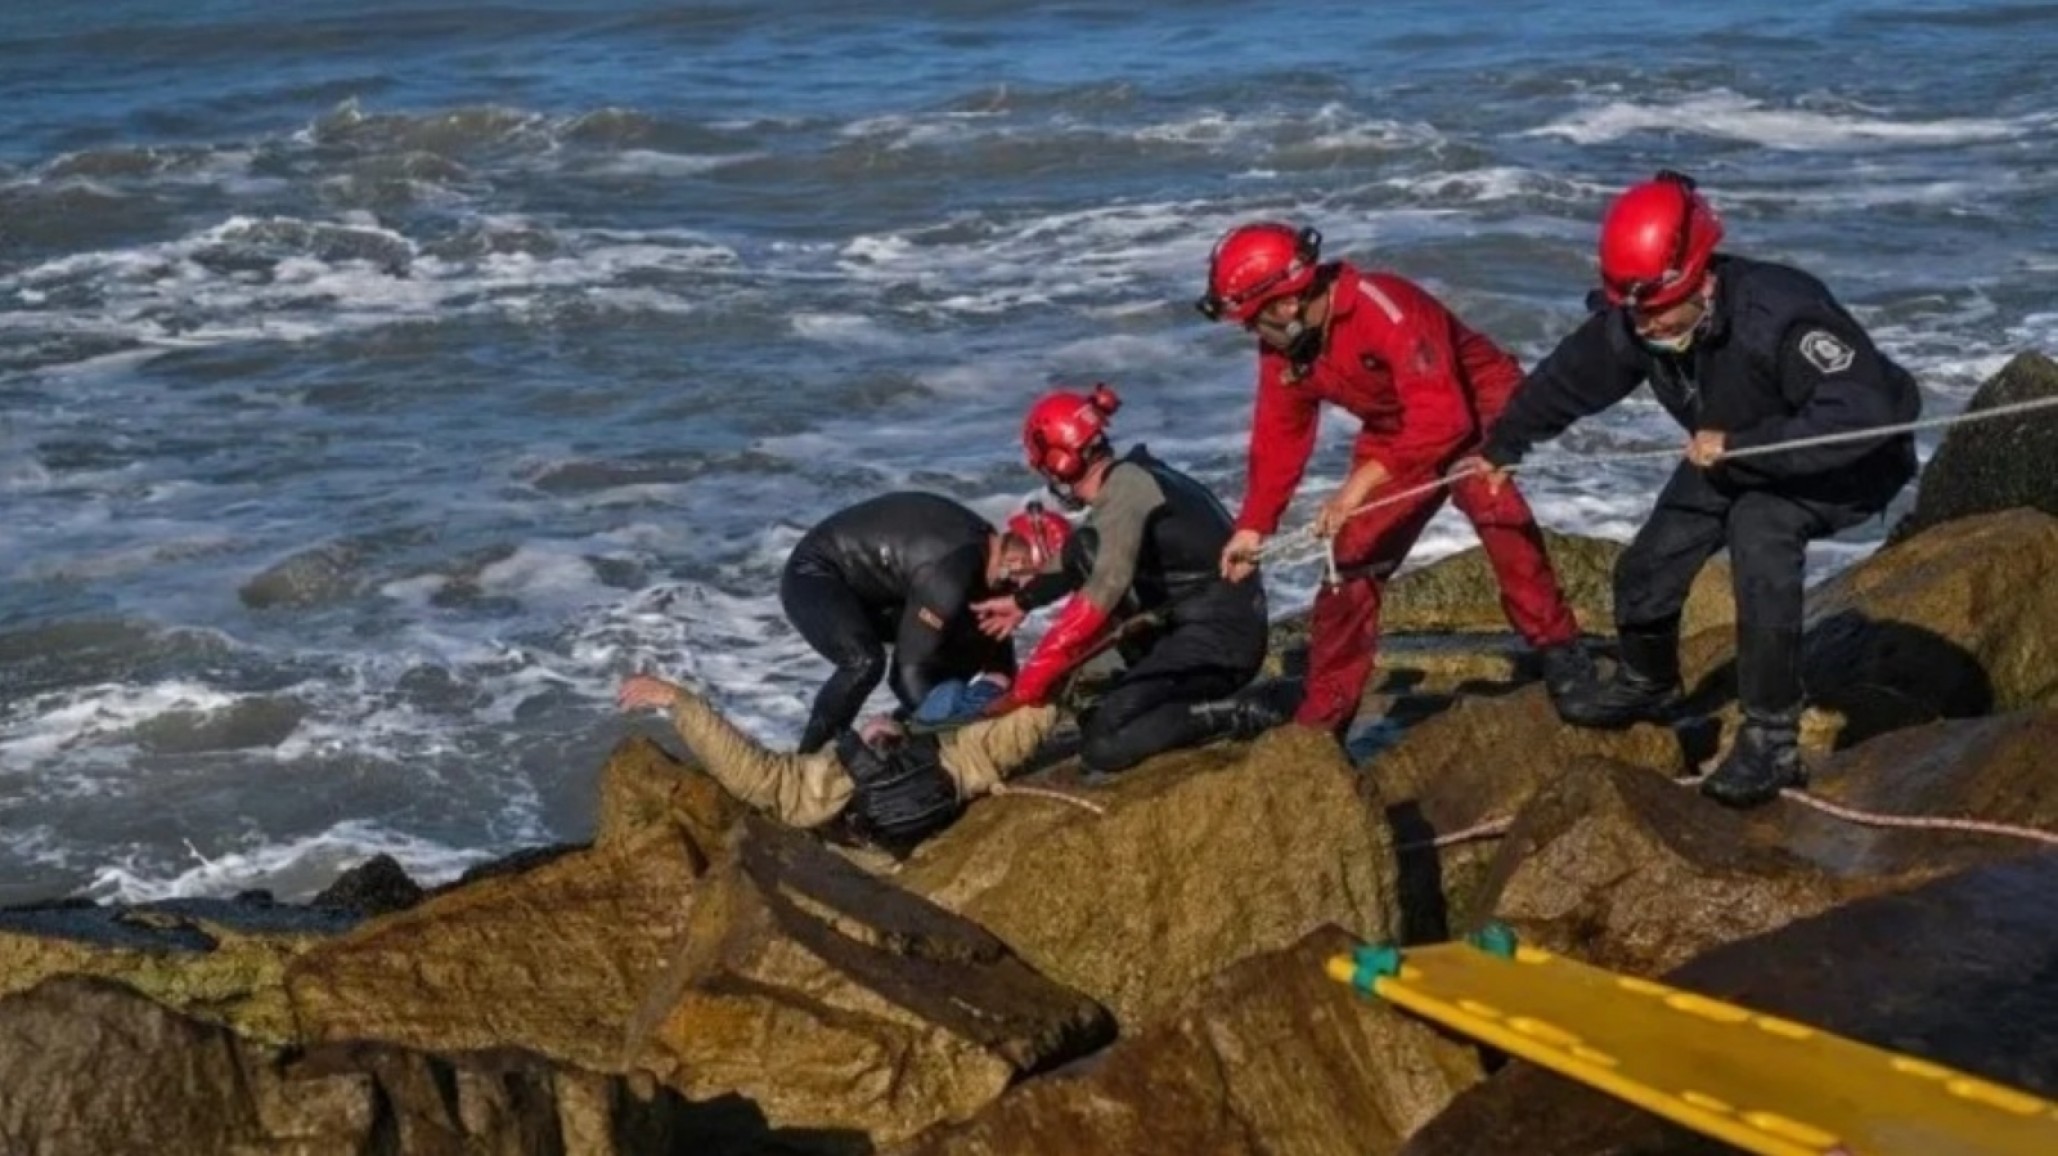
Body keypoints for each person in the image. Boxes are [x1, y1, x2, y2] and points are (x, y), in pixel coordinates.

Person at [1463, 170, 1920, 807]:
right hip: (1729, 450)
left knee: (1759, 529)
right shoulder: (1640, 319)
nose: (1646, 325)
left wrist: (1741, 446)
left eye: (1657, 310)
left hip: (1847, 458)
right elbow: (1570, 378)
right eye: (1635, 312)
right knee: (1648, 565)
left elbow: (1863, 415)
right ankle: (1649, 681)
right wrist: (1504, 445)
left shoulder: (1782, 312)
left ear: (1701, 276)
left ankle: (1771, 739)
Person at [1197, 221, 1592, 744]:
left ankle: (1561, 652)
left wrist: (1359, 485)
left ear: (1285, 305)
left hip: (1477, 408)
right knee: (1351, 558)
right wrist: (1253, 526)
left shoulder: (1384, 307)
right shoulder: (1286, 352)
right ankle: (1325, 715)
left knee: (1494, 509)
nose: (1251, 332)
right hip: (1397, 429)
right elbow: (1279, 439)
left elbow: (1446, 419)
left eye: (1251, 320)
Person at [974, 385, 1283, 776]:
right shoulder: (1133, 476)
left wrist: (1030, 684)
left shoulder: (1127, 489)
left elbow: (1102, 591)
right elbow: (1080, 556)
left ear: (1060, 464)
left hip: (1221, 643)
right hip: (1202, 625)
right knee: (1094, 705)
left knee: (1103, 743)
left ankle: (1244, 710)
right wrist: (1022, 603)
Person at [617, 672, 1058, 855]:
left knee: (964, 690)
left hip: (891, 808)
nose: (874, 725)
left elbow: (748, 770)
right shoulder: (961, 759)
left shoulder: (824, 788)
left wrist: (678, 701)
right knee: (972, 688)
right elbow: (1030, 722)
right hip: (944, 755)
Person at [779, 491, 1070, 754]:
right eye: (1038, 584)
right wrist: (960, 739)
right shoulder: (952, 575)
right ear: (1017, 563)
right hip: (815, 575)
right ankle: (809, 759)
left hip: (878, 586)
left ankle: (899, 732)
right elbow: (906, 677)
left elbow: (1000, 665)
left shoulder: (987, 561)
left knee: (970, 634)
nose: (1037, 597)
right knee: (865, 662)